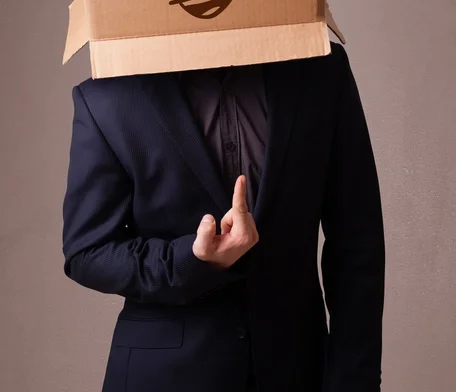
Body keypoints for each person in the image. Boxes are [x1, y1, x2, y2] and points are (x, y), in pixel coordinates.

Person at [62, 42, 385, 392]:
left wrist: (355, 380)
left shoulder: (320, 68)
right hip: (165, 376)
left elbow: (358, 242)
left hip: (297, 370)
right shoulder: (110, 93)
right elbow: (88, 252)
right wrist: (190, 260)